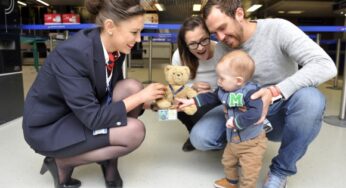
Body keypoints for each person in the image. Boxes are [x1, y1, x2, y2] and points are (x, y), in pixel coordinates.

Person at [22, 1, 166, 188]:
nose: (138, 39)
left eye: (140, 32)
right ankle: (61, 162)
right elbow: (93, 118)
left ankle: (109, 162)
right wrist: (139, 98)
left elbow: (113, 90)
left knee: (131, 87)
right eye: (134, 32)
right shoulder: (73, 54)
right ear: (110, 27)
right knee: (134, 131)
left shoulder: (116, 46)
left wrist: (149, 102)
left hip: (80, 112)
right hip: (51, 126)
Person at [201, 1, 337, 188]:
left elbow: (325, 65)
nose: (220, 37)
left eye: (222, 28)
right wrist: (198, 95)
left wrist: (275, 91)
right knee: (202, 138)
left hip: (280, 111)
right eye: (214, 33)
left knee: (311, 101)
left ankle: (280, 170)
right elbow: (222, 88)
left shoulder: (278, 29)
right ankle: (243, 147)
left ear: (239, 14)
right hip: (240, 112)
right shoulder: (223, 47)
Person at [178, 50, 268, 188]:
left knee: (249, 170)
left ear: (238, 80)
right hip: (233, 139)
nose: (218, 81)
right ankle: (231, 182)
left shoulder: (251, 93)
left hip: (251, 142)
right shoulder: (224, 90)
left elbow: (255, 113)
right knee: (228, 161)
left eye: (221, 78)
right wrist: (193, 101)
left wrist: (236, 122)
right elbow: (212, 98)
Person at [172, 15, 227, 151]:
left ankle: (223, 139)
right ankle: (193, 133)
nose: (200, 48)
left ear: (210, 34)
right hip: (193, 100)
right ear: (185, 44)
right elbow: (175, 86)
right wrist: (192, 87)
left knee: (203, 113)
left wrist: (212, 92)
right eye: (192, 44)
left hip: (220, 99)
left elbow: (235, 85)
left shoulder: (222, 51)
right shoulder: (179, 56)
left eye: (204, 40)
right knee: (174, 106)